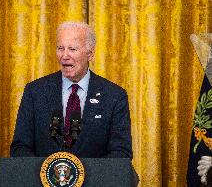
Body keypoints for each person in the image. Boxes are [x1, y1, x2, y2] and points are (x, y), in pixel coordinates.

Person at [10, 21, 133, 158]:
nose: (65, 56)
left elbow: (121, 152)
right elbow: (20, 147)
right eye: (60, 48)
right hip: (42, 178)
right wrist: (46, 175)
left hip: (94, 179)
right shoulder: (35, 91)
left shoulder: (114, 96)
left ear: (90, 54)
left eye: (72, 49)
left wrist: (84, 176)